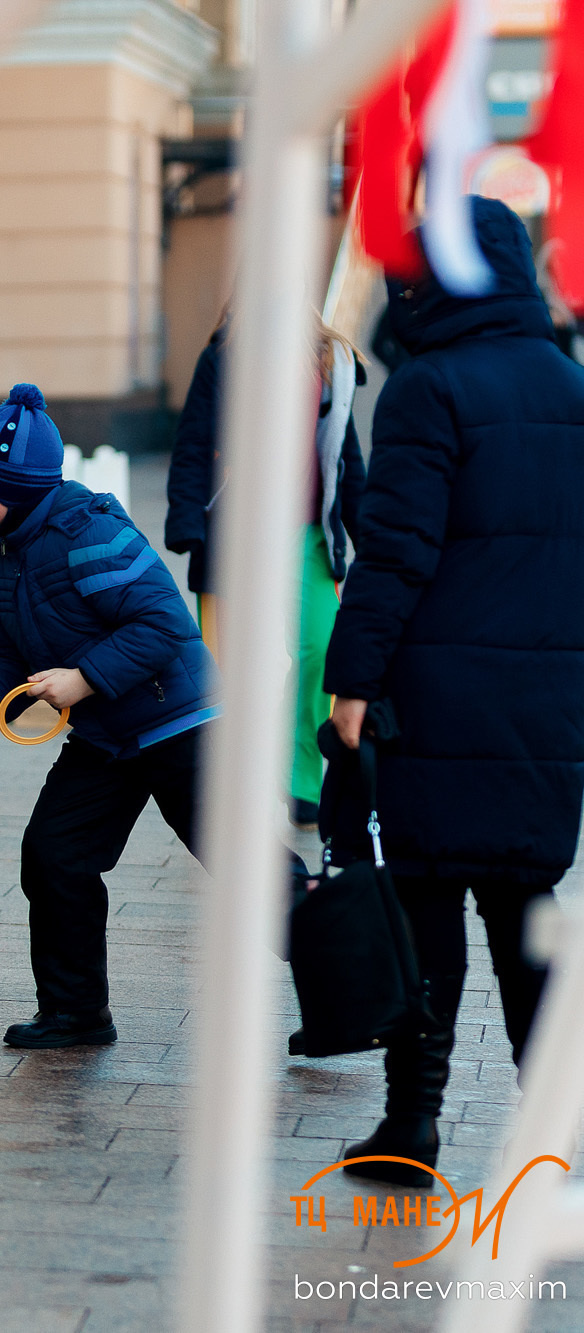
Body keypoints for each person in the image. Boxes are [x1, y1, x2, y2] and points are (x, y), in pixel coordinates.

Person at [325, 197, 584, 1186]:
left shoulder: (424, 388)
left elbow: (391, 555)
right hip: (544, 701)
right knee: (523, 909)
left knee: (423, 906)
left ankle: (409, 1127)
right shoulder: (568, 383)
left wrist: (349, 679)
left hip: (433, 694)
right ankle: (554, 1127)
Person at [0, 383, 219, 1049]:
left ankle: (367, 992)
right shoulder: (6, 552)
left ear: (13, 483)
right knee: (54, 853)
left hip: (178, 722)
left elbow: (165, 624)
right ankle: (76, 1013)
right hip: (108, 731)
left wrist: (83, 676)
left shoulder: (86, 533)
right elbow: (11, 647)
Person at [164, 310, 368, 828]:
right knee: (228, 667)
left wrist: (367, 529)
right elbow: (193, 442)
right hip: (236, 537)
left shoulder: (331, 361)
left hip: (308, 535)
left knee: (322, 648)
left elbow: (345, 454)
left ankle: (300, 780)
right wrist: (188, 519)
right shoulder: (224, 356)